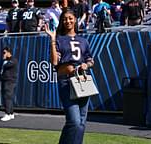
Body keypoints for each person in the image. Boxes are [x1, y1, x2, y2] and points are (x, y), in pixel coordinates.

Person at [45, 9, 94, 144]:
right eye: (65, 19)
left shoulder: (83, 41)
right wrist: (53, 40)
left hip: (82, 79)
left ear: (75, 20)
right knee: (74, 121)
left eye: (70, 18)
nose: (68, 21)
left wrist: (86, 65)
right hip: (66, 81)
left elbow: (91, 59)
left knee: (81, 122)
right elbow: (55, 62)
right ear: (61, 21)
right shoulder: (59, 39)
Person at [0, 47, 18, 122]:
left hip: (10, 82)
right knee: (9, 98)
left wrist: (4, 60)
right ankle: (11, 113)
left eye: (4, 52)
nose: (3, 54)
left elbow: (6, 66)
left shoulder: (13, 60)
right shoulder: (6, 61)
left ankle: (7, 114)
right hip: (6, 81)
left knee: (7, 97)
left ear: (8, 52)